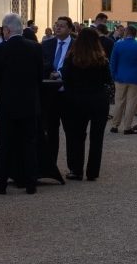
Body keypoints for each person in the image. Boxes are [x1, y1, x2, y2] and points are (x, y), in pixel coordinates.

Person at [0, 12, 42, 195]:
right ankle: (31, 182)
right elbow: (39, 76)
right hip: (29, 103)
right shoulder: (35, 48)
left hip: (7, 104)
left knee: (5, 144)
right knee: (30, 143)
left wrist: (2, 91)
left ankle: (1, 183)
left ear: (6, 30)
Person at [61, 28, 111, 181]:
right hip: (98, 99)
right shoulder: (101, 59)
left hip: (77, 99)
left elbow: (66, 78)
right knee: (97, 137)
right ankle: (92, 171)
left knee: (76, 136)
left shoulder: (72, 58)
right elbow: (107, 79)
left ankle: (76, 170)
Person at [40, 16, 74, 178]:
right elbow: (41, 64)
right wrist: (49, 72)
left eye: (62, 26)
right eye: (56, 25)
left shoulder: (76, 46)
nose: (58, 28)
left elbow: (76, 67)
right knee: (50, 131)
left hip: (68, 94)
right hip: (50, 94)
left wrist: (60, 74)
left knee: (71, 131)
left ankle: (73, 167)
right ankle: (50, 166)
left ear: (70, 29)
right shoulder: (47, 44)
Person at [108, 25, 137, 134]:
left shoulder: (118, 45)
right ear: (135, 34)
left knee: (119, 102)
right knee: (131, 103)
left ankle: (115, 125)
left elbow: (113, 62)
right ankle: (127, 127)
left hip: (120, 77)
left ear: (126, 33)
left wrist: (114, 75)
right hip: (135, 78)